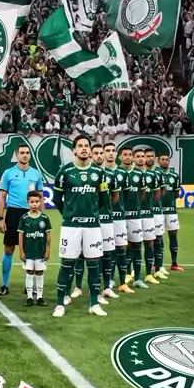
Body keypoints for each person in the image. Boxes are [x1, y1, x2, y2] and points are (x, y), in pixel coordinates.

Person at [53, 134, 107, 318]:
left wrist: (91, 212)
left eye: (86, 146)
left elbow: (103, 199)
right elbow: (56, 199)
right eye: (80, 146)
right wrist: (69, 214)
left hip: (92, 226)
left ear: (90, 150)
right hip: (71, 226)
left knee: (93, 265)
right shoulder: (65, 172)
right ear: (74, 150)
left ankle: (94, 304)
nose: (84, 148)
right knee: (66, 264)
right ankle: (60, 304)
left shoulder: (99, 173)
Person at [0, 145, 44, 296]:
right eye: (22, 153)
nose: (25, 155)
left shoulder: (36, 174)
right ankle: (5, 284)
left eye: (27, 153)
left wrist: (43, 217)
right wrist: (0, 218)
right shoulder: (9, 173)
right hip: (13, 213)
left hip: (31, 214)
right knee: (9, 249)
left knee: (31, 251)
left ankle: (29, 286)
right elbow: (2, 196)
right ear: (16, 155)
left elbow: (41, 197)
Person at [103, 141, 133, 294]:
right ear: (103, 153)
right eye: (107, 150)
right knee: (106, 251)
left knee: (121, 248)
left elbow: (125, 196)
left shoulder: (123, 173)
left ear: (116, 154)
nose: (110, 153)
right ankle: (108, 280)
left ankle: (123, 282)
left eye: (112, 150)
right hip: (104, 217)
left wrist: (119, 208)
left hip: (119, 216)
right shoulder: (100, 173)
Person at [119, 147, 149, 290]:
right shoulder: (116, 173)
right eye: (125, 155)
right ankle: (122, 276)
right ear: (120, 157)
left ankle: (137, 278)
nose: (128, 157)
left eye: (130, 155)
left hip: (135, 216)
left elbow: (142, 193)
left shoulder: (139, 174)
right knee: (119, 248)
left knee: (136, 246)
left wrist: (135, 205)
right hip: (119, 216)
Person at [91, 144, 118, 302]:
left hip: (107, 220)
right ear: (91, 155)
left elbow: (115, 196)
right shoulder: (88, 173)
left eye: (101, 153)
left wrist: (106, 208)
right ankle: (79, 287)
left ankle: (107, 287)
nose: (99, 156)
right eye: (96, 153)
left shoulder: (110, 175)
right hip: (91, 220)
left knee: (107, 254)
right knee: (88, 256)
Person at [18, 189, 51, 307]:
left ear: (40, 202)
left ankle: (40, 297)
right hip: (28, 252)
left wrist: (48, 250)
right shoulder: (24, 218)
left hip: (40, 252)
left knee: (40, 272)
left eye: (37, 201)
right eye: (32, 202)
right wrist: (21, 251)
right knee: (29, 272)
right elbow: (20, 235)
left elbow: (48, 235)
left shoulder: (44, 218)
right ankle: (30, 297)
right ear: (28, 202)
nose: (34, 204)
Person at [133, 148, 160, 286]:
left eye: (142, 156)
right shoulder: (130, 174)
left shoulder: (152, 175)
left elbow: (157, 193)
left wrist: (149, 205)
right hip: (134, 215)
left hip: (148, 215)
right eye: (138, 156)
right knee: (133, 244)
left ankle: (149, 274)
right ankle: (131, 273)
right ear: (134, 158)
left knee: (149, 243)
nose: (141, 158)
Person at [144, 148, 169, 280]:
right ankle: (132, 271)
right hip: (142, 212)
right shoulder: (138, 173)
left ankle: (158, 268)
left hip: (157, 211)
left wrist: (154, 202)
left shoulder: (159, 173)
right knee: (136, 242)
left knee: (158, 239)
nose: (149, 158)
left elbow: (162, 190)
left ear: (154, 158)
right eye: (147, 156)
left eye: (151, 156)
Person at [158, 152, 183, 271]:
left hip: (171, 211)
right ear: (158, 161)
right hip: (158, 211)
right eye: (162, 159)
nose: (165, 161)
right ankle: (158, 264)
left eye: (167, 159)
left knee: (173, 235)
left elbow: (176, 194)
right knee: (158, 237)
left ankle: (174, 263)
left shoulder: (174, 176)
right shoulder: (155, 175)